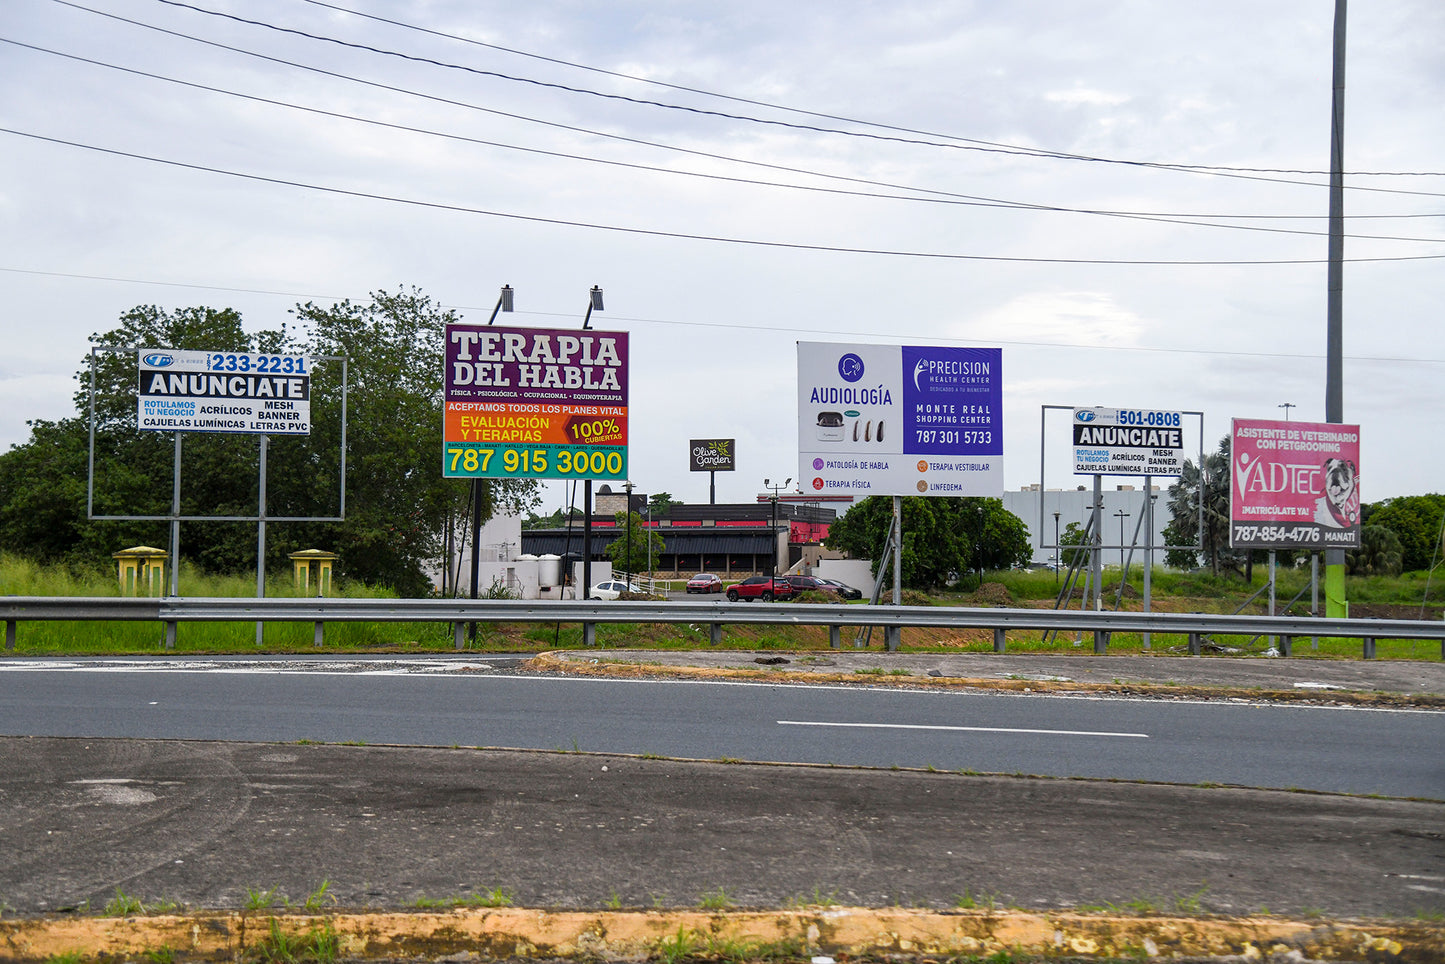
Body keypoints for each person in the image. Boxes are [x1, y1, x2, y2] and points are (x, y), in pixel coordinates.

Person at [1313, 458, 1359, 529]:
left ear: (1352, 472)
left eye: (1344, 470)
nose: (1335, 474)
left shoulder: (1356, 508)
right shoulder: (1318, 509)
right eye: (1330, 469)